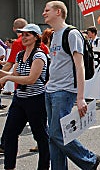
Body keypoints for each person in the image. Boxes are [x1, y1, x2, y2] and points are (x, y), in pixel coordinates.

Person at [42, 0, 100, 169]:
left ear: (58, 12)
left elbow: (79, 65)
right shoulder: (54, 35)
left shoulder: (71, 34)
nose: (43, 13)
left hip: (64, 91)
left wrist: (80, 97)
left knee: (56, 133)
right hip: (51, 90)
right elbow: (56, 63)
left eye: (47, 10)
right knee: (53, 138)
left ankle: (89, 160)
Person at [0, 24, 50, 170]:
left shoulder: (39, 55)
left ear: (36, 37)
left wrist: (6, 79)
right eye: (22, 35)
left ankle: (44, 167)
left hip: (36, 100)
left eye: (28, 35)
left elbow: (31, 79)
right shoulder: (20, 55)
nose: (24, 38)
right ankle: (9, 167)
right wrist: (4, 75)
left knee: (41, 136)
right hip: (19, 99)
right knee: (10, 133)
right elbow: (14, 75)